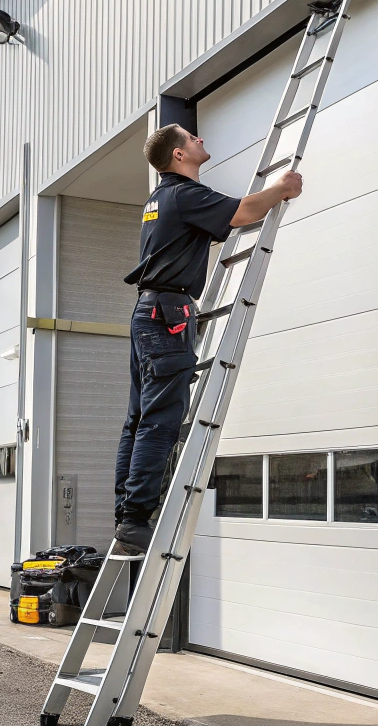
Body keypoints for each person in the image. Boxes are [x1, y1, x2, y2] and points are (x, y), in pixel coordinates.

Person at [113, 124, 302, 555]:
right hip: (167, 316)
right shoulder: (183, 195)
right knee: (160, 420)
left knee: (139, 420)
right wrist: (282, 188)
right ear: (178, 156)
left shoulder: (159, 200)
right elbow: (244, 212)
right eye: (190, 137)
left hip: (150, 311)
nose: (199, 138)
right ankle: (135, 521)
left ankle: (126, 517)